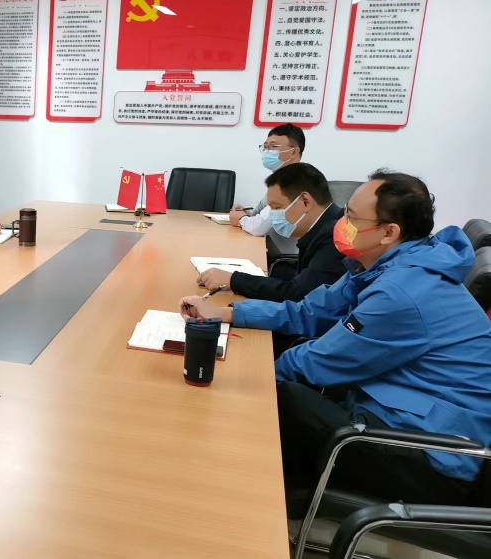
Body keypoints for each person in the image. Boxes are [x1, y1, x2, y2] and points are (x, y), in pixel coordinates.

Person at [179, 171, 491, 515]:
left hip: (437, 457)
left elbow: (319, 362)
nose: (341, 223)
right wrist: (228, 313)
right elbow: (309, 311)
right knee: (277, 389)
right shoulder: (382, 265)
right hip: (400, 412)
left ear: (389, 232)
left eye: (352, 217)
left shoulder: (402, 291)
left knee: (283, 397)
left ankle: (274, 510)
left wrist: (243, 378)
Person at [197, 163, 345, 303]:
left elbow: (297, 295)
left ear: (305, 201)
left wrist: (233, 280)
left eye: (277, 207)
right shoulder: (323, 227)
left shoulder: (335, 237)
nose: (273, 216)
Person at [229, 123, 305, 235]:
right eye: (265, 146)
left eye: (273, 146)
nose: (267, 151)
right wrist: (246, 211)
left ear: (293, 152)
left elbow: (258, 228)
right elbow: (263, 208)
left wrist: (241, 219)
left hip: (284, 246)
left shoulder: (295, 183)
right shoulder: (280, 179)